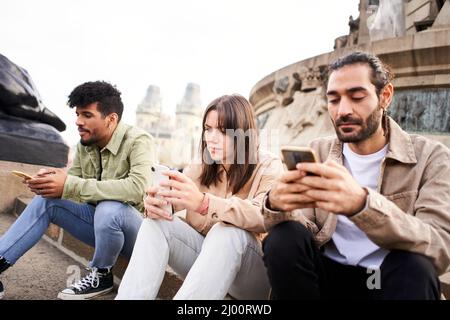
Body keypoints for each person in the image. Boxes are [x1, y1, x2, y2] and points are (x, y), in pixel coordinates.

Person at [262, 51, 450, 300]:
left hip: (384, 280)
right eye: (334, 99)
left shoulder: (430, 156)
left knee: (416, 267)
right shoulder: (318, 150)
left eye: (357, 96)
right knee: (284, 238)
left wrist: (362, 205)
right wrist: (277, 206)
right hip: (328, 278)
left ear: (385, 96)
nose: (343, 110)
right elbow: (303, 231)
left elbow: (439, 246)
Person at [116, 94, 283, 300]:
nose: (211, 138)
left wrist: (204, 203)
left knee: (227, 232)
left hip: (254, 279)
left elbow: (265, 217)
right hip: (207, 267)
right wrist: (157, 204)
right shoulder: (202, 165)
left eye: (222, 131)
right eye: (207, 129)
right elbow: (174, 200)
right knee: (156, 223)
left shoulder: (269, 165)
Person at [0, 81, 155, 300]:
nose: (78, 122)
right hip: (102, 229)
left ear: (111, 119)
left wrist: (70, 184)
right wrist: (51, 183)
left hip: (137, 234)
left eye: (87, 115)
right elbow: (73, 185)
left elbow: (137, 189)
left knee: (110, 208)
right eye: (77, 114)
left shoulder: (138, 140)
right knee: (47, 201)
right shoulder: (86, 144)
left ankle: (101, 275)